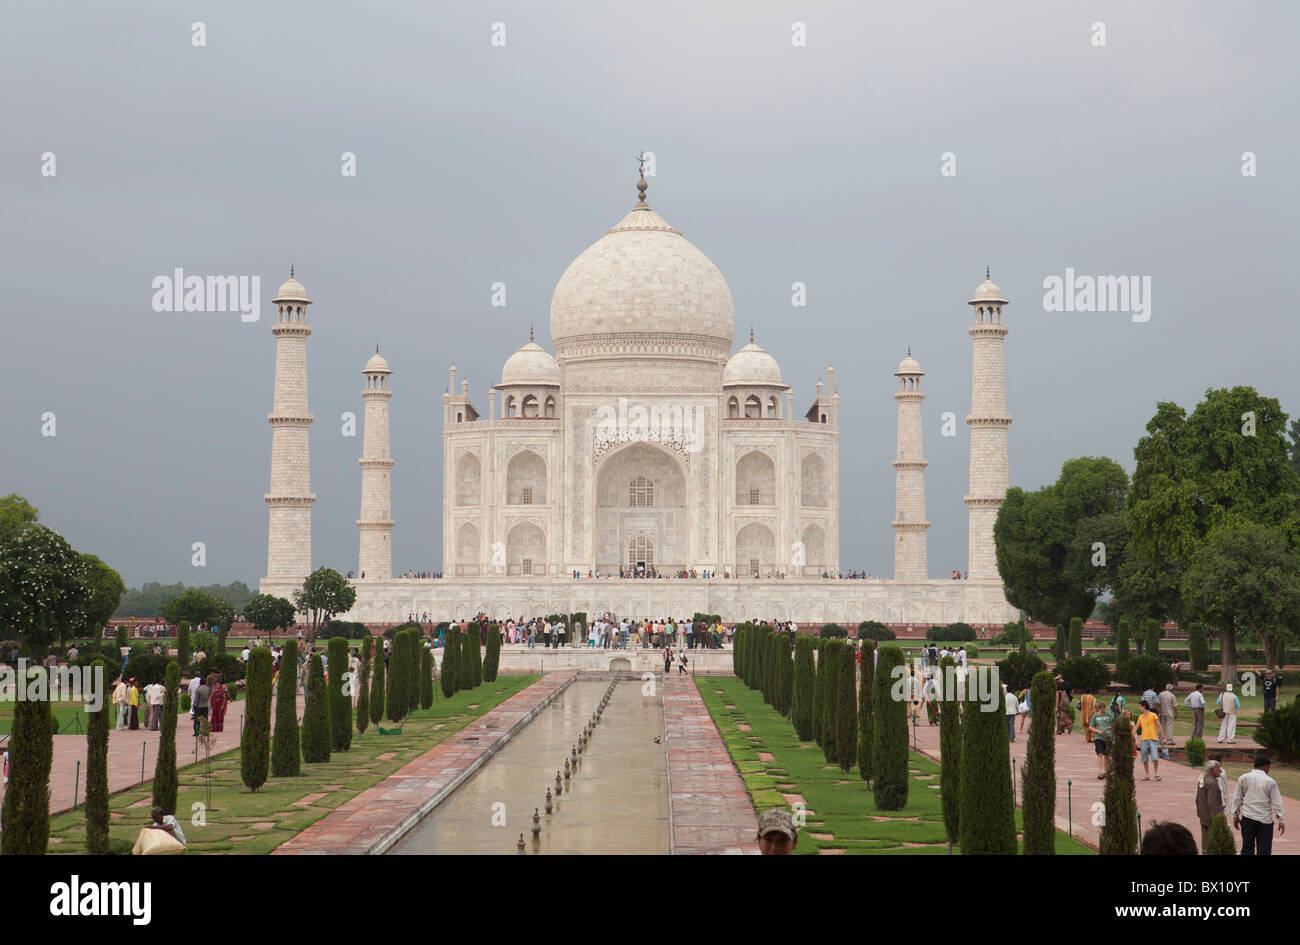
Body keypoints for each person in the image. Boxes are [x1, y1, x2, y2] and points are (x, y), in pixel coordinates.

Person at [1230, 754, 1286, 855]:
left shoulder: (1243, 778)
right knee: (1264, 851)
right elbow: (1277, 802)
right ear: (1265, 766)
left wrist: (1235, 815)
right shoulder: (1270, 781)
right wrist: (1281, 819)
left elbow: (1237, 798)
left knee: (1247, 848)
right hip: (1265, 820)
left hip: (1248, 817)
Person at [1195, 759, 1228, 852]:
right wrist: (1218, 819)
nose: (1221, 771)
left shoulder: (1203, 779)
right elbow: (1212, 803)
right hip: (1211, 818)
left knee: (1205, 841)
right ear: (1212, 770)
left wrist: (1200, 813)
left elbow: (1197, 799)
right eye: (1219, 768)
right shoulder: (1212, 783)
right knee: (1214, 842)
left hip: (1204, 815)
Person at [1136, 702, 1162, 781]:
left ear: (1144, 707)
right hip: (1144, 740)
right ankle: (1146, 775)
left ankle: (1156, 774)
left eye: (1140, 707)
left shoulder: (1153, 715)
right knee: (1144, 759)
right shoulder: (1140, 717)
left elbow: (1159, 725)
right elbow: (1136, 727)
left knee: (1155, 757)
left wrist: (1163, 737)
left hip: (1153, 739)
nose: (1139, 708)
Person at [1090, 699, 1114, 779]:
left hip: (1107, 737)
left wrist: (1111, 726)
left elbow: (1113, 722)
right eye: (1102, 709)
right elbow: (1091, 727)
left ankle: (1105, 771)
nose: (1104, 710)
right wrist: (1097, 730)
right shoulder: (1095, 716)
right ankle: (1100, 771)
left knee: (1106, 755)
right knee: (1100, 754)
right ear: (1099, 708)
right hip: (1098, 738)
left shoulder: (1108, 715)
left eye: (1105, 708)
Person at [1158, 683, 1177, 747]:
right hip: (1170, 713)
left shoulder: (1161, 694)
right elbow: (1175, 706)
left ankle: (1161, 739)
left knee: (1162, 726)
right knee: (1169, 726)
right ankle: (1169, 740)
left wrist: (1158, 711)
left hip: (1162, 712)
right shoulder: (1172, 695)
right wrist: (1176, 713)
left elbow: (1158, 703)